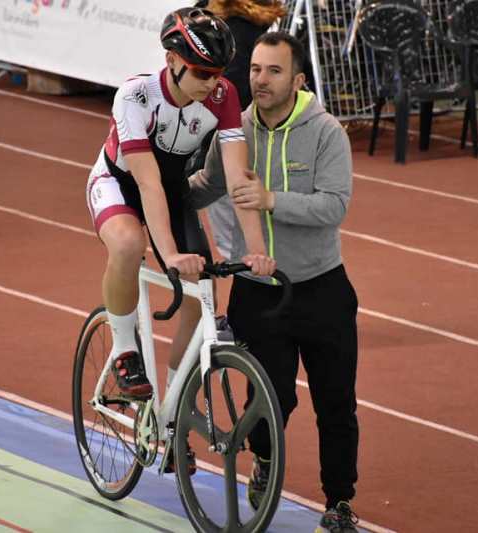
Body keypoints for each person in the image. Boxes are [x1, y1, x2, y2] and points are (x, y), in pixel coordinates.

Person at [188, 32, 360, 532]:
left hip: (322, 287)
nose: (260, 80)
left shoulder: (327, 132)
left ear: (298, 80)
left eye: (274, 71)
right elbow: (208, 186)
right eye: (256, 70)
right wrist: (152, 189)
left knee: (336, 402)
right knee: (270, 398)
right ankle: (264, 460)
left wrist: (272, 200)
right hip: (259, 293)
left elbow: (335, 205)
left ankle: (339, 502)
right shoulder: (235, 130)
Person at [85, 7, 275, 421]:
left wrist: (257, 250)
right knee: (130, 243)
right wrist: (169, 255)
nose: (212, 82)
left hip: (171, 191)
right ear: (171, 61)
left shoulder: (224, 96)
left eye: (218, 72)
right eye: (201, 72)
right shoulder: (135, 96)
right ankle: (124, 349)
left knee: (202, 287)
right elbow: (148, 184)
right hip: (120, 183)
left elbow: (238, 178)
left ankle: (173, 409)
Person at [190, 0, 287, 259]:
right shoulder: (258, 28)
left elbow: (225, 99)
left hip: (229, 145)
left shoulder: (232, 31)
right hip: (259, 141)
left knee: (239, 244)